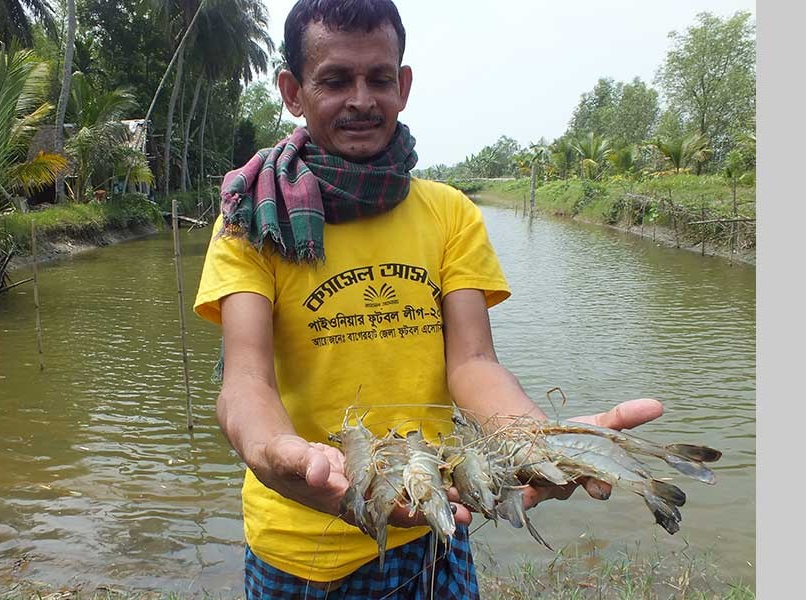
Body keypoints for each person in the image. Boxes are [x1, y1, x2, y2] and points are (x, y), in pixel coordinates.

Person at [193, 1, 664, 597]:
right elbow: (245, 383)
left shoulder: (449, 213)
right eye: (335, 80)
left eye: (379, 78)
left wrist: (539, 443)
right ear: (292, 91)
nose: (361, 99)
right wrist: (274, 449)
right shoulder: (252, 220)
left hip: (437, 521)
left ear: (404, 84)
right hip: (302, 549)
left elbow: (472, 364)